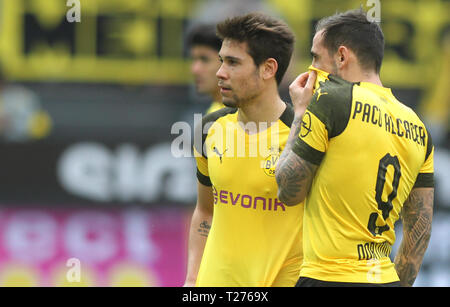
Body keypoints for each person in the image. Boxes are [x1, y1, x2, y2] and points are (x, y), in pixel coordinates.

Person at [275, 9, 434, 287]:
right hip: (385, 279)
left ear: (342, 56)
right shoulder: (419, 128)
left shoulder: (330, 99)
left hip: (327, 278)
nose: (310, 68)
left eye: (315, 57)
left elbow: (288, 191)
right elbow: (419, 230)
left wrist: (300, 112)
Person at [184, 12, 303, 287]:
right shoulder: (208, 128)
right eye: (222, 60)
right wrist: (192, 279)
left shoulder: (305, 136)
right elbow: (205, 211)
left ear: (268, 69)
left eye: (233, 63)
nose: (220, 72)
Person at [186, 23, 224, 114]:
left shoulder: (246, 118)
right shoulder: (214, 112)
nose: (195, 69)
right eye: (193, 59)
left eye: (204, 59)